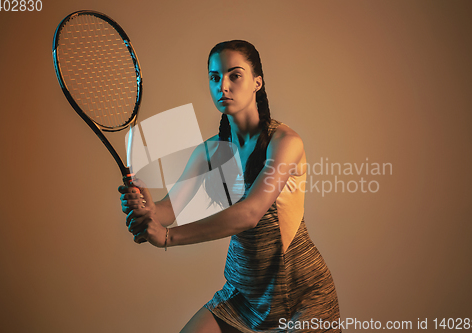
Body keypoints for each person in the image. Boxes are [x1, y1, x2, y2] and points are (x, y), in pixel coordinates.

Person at [119, 40, 341, 332]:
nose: (222, 85)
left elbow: (251, 213)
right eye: (214, 77)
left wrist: (168, 238)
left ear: (257, 82)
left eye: (234, 75)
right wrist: (147, 209)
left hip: (302, 296)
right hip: (243, 295)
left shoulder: (285, 143)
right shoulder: (210, 152)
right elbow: (167, 212)